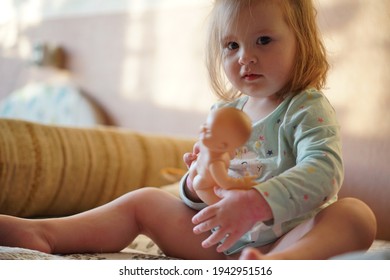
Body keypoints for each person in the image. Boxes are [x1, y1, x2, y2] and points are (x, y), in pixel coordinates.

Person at [0, 0, 376, 260]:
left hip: (288, 236)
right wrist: (193, 184)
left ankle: (278, 265)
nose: (245, 56)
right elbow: (201, 194)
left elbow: (324, 173)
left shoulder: (306, 107)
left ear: (302, 43)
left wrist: (257, 201)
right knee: (144, 200)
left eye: (263, 40)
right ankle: (48, 233)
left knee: (356, 215)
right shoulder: (226, 112)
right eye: (231, 45)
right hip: (218, 242)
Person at [188, 107, 256, 205]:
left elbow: (231, 155)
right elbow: (226, 183)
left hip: (199, 174)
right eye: (205, 124)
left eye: (207, 130)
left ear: (222, 146)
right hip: (204, 187)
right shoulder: (216, 162)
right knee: (224, 205)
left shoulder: (212, 149)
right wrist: (243, 183)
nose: (202, 128)